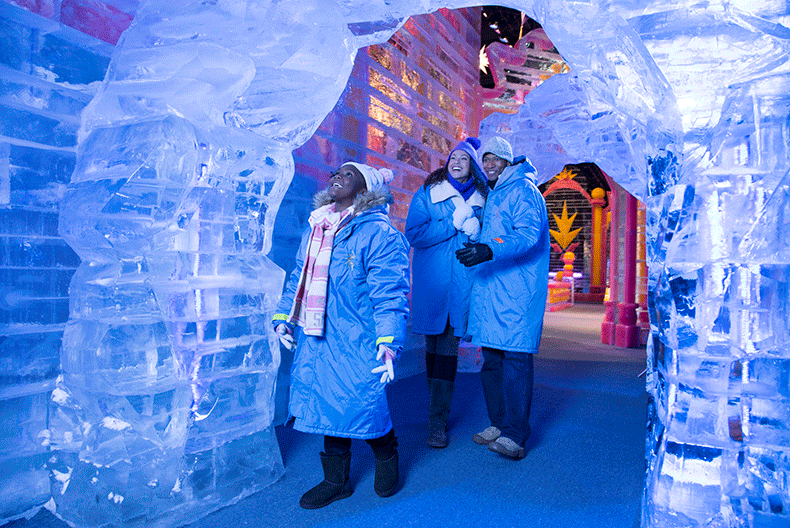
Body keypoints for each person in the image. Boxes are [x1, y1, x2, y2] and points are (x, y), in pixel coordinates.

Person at [273, 162, 410, 508]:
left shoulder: (379, 235)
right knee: (326, 406)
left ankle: (387, 453)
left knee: (364, 404)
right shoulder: (316, 227)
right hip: (317, 335)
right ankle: (336, 480)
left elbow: (389, 294)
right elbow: (298, 279)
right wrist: (284, 318)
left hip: (358, 338)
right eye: (335, 172)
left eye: (349, 175)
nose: (336, 177)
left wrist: (389, 342)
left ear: (365, 189)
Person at [456, 136, 550, 460]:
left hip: (518, 291)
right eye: (486, 159)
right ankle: (499, 423)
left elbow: (526, 234)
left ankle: (515, 435)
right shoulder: (497, 193)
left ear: (508, 160)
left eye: (496, 158)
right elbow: (499, 233)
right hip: (495, 289)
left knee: (516, 360)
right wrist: (478, 240)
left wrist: (489, 247)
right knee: (492, 360)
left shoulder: (524, 190)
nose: (490, 164)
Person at [405, 137, 488, 448]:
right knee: (433, 348)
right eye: (453, 157)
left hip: (464, 282)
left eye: (464, 159)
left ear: (472, 167)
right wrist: (450, 226)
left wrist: (476, 232)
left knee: (448, 350)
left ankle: (437, 421)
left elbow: (487, 236)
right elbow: (413, 233)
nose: (457, 162)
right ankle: (435, 413)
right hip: (433, 282)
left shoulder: (483, 197)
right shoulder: (429, 193)